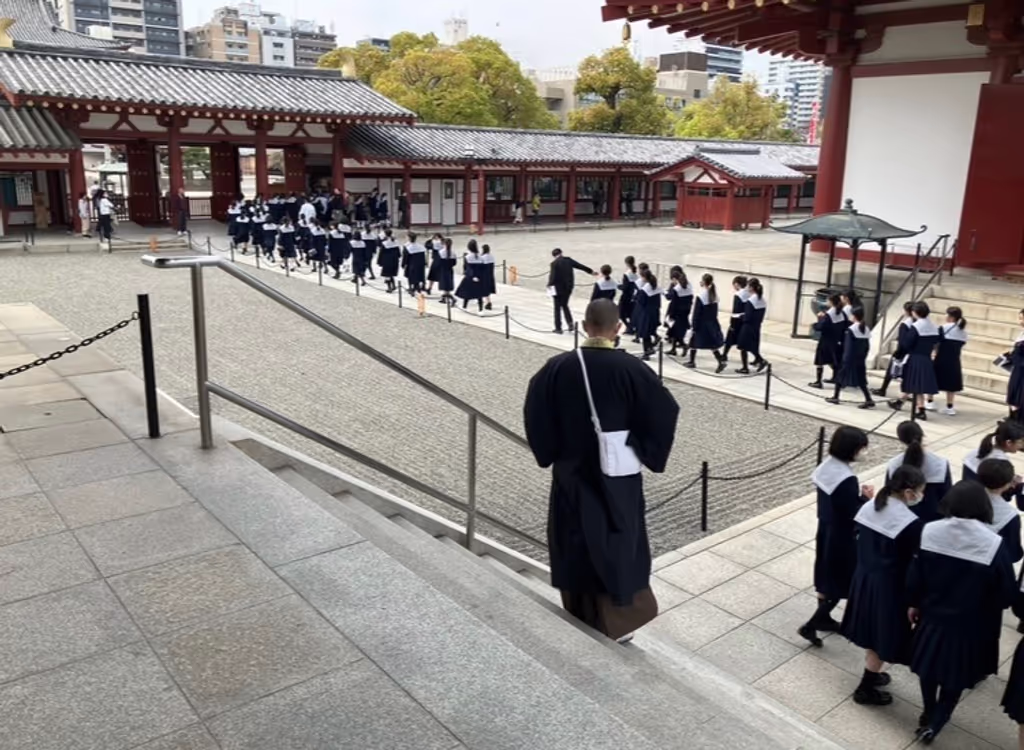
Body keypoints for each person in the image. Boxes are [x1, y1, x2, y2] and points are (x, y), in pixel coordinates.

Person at [524, 298, 679, 640]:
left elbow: (537, 413)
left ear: (583, 326)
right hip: (616, 476)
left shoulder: (557, 367)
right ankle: (618, 622)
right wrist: (639, 446)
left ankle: (578, 610)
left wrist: (549, 451)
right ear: (619, 328)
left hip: (571, 473)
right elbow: (664, 411)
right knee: (617, 540)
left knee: (575, 539)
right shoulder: (633, 370)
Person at [907, 480, 1016, 744]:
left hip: (932, 616)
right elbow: (1006, 593)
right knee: (955, 674)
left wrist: (913, 603)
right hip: (971, 624)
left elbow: (914, 576)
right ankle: (937, 721)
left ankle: (928, 711)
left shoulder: (929, 530)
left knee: (928, 668)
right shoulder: (992, 544)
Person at [840, 464, 926, 706]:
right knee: (882, 636)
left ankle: (873, 673)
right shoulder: (911, 524)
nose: (921, 496)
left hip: (864, 578)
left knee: (870, 632)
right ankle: (865, 687)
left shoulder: (870, 505)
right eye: (920, 491)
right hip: (889, 588)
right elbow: (913, 563)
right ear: (909, 492)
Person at [800, 425, 873, 647]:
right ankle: (812, 624)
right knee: (840, 580)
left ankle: (823, 618)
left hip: (826, 529)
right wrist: (865, 498)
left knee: (825, 574)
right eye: (862, 448)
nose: (864, 451)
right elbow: (852, 512)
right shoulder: (846, 478)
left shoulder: (826, 467)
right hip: (842, 536)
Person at [886, 421, 951, 523]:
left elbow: (889, 493)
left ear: (901, 439)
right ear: (922, 435)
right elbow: (947, 495)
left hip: (902, 518)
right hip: (932, 518)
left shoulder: (894, 464)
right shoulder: (940, 463)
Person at [889, 301, 940, 421]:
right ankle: (916, 408)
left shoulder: (916, 326)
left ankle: (907, 405)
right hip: (926, 358)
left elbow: (906, 344)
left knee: (914, 383)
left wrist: (899, 354)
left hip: (915, 357)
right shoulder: (933, 326)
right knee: (917, 385)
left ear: (915, 312)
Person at [963, 421, 1024, 509]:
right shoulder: (1001, 464)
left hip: (966, 500)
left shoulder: (973, 453)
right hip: (984, 507)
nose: (1022, 445)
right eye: (1021, 442)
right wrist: (1015, 485)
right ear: (1009, 443)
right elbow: (1002, 495)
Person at [826, 306, 875, 409]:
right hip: (860, 359)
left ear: (854, 316)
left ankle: (835, 397)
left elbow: (848, 347)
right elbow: (867, 347)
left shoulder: (851, 329)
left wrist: (845, 359)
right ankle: (868, 399)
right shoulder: (865, 329)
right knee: (861, 381)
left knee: (840, 377)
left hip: (850, 359)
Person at [977, 458, 1024, 564]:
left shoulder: (962, 495)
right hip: (988, 564)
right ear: (1008, 484)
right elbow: (1013, 554)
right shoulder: (1010, 516)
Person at [873, 302, 915, 399]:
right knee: (907, 373)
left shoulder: (905, 324)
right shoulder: (916, 323)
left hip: (903, 352)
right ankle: (906, 392)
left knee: (890, 371)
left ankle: (883, 389)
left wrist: (898, 353)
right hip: (912, 352)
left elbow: (902, 341)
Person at [547, 247, 594, 335]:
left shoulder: (554, 263)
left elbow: (553, 277)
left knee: (557, 308)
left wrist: (549, 284)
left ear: (553, 255)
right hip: (568, 287)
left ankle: (558, 327)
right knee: (565, 305)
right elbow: (580, 266)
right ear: (561, 253)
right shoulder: (568, 260)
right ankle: (570, 323)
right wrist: (590, 271)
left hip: (558, 288)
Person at [685, 273, 726, 373]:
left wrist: (694, 325)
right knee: (712, 344)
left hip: (702, 324)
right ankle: (720, 360)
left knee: (693, 342)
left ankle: (692, 361)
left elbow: (697, 312)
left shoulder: (701, 296)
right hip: (711, 322)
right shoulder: (714, 295)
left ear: (704, 282)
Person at [930, 306, 967, 415]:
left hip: (941, 358)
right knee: (951, 385)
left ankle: (930, 401)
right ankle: (950, 406)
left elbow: (936, 341)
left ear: (951, 316)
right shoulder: (963, 331)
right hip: (954, 360)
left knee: (933, 379)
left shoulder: (944, 328)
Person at [810, 294, 847, 388]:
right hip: (837, 340)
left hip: (826, 340)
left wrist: (817, 322)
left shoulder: (829, 314)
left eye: (828, 301)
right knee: (834, 360)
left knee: (820, 361)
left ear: (831, 302)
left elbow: (822, 327)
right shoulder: (842, 313)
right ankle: (836, 378)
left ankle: (818, 381)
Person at [736, 277, 767, 374]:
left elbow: (747, 317)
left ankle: (745, 367)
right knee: (752, 346)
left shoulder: (751, 301)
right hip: (756, 326)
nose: (747, 288)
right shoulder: (762, 300)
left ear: (751, 288)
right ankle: (759, 360)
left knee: (743, 347)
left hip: (748, 326)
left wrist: (741, 317)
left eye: (748, 286)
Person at [664, 269, 693, 358]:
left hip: (677, 313)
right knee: (676, 332)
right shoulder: (688, 286)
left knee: (675, 332)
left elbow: (674, 303)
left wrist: (671, 315)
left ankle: (684, 346)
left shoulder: (677, 289)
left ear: (675, 279)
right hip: (685, 312)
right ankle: (673, 349)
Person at [721, 275, 749, 364]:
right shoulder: (748, 293)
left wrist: (732, 323)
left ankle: (724, 355)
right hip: (744, 320)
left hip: (737, 320)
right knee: (742, 342)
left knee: (729, 338)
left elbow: (735, 310)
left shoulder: (738, 295)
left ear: (737, 284)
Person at [635, 270, 662, 362]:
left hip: (646, 313)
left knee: (644, 333)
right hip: (654, 312)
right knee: (650, 331)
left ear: (644, 278)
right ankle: (649, 349)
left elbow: (641, 302)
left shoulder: (645, 289)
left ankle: (647, 352)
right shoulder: (656, 287)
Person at [455, 241, 486, 311]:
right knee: (479, 294)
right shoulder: (480, 257)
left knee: (467, 292)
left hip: (470, 276)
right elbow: (482, 268)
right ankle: (480, 309)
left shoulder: (467, 257)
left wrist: (471, 276)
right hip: (479, 276)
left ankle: (464, 306)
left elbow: (467, 268)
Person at [1006, 310, 1024, 422]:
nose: (1020, 321)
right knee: (1014, 398)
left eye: (1022, 318)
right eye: (1020, 318)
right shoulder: (1022, 333)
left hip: (1022, 374)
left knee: (1019, 398)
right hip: (1018, 371)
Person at [618, 256, 639, 334]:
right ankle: (631, 327)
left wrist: (618, 286)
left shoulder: (627, 274)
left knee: (621, 313)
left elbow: (625, 287)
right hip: (633, 296)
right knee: (630, 313)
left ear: (626, 263)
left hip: (626, 296)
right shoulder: (635, 274)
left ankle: (629, 327)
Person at [377, 228, 401, 293]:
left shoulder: (384, 243)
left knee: (387, 275)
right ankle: (393, 285)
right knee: (391, 274)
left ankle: (389, 288)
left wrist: (379, 261)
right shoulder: (395, 242)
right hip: (395, 260)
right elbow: (399, 253)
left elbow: (381, 253)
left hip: (387, 260)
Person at [478, 245, 497, 310]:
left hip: (484, 275)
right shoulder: (492, 256)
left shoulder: (482, 257)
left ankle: (488, 302)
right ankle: (486, 301)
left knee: (483, 288)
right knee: (487, 289)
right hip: (490, 274)